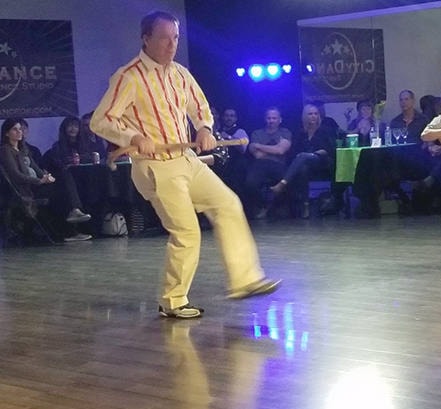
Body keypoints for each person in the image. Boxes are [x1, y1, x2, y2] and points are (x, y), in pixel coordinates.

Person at [90, 11, 280, 318]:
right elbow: (102, 120)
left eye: (175, 38)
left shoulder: (179, 73)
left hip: (186, 160)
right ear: (146, 39)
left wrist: (204, 128)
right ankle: (173, 299)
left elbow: (200, 107)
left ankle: (245, 279)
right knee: (187, 232)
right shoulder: (129, 76)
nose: (171, 45)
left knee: (228, 204)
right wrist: (134, 135)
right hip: (154, 166)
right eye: (164, 38)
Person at [0, 118, 92, 242]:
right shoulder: (5, 150)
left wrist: (47, 177)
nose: (19, 132)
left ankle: (74, 214)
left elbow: (37, 169)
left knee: (64, 177)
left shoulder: (23, 149)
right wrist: (39, 181)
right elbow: (15, 175)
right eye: (14, 129)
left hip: (37, 184)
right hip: (26, 189)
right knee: (60, 194)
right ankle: (69, 230)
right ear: (7, 133)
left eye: (20, 129)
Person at [270, 104, 336, 218]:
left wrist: (314, 154)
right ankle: (306, 205)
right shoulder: (301, 133)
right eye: (310, 114)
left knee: (303, 157)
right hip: (306, 165)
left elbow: (330, 150)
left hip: (323, 162)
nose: (313, 116)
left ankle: (282, 184)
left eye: (316, 114)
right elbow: (294, 151)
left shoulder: (325, 130)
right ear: (305, 116)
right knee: (303, 168)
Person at [244, 107, 292, 219]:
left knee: (289, 180)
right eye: (269, 118)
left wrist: (259, 146)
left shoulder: (285, 132)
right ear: (265, 119)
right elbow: (257, 154)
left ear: (280, 120)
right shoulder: (257, 133)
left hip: (279, 165)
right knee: (250, 184)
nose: (271, 120)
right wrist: (275, 148)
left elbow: (281, 150)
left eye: (274, 118)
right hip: (260, 165)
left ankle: (278, 207)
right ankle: (263, 206)